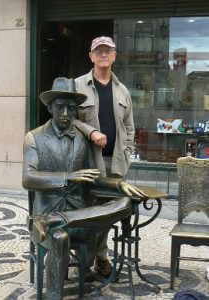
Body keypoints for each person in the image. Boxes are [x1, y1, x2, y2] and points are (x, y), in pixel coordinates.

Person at [22, 77, 146, 300]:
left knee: (125, 203)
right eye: (60, 107)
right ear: (50, 107)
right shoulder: (34, 138)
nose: (66, 114)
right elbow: (28, 178)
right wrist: (68, 177)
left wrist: (119, 184)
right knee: (59, 237)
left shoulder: (82, 139)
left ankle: (60, 219)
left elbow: (94, 179)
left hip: (80, 219)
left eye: (71, 108)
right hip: (44, 220)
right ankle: (53, 296)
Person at [75, 36, 135, 276]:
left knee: (108, 214)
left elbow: (129, 126)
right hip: (89, 163)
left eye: (107, 51)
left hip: (116, 164)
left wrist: (127, 151)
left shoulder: (123, 90)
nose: (103, 55)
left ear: (114, 56)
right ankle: (86, 261)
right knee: (89, 213)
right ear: (91, 56)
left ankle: (100, 258)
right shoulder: (77, 85)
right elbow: (69, 122)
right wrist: (91, 132)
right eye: (98, 51)